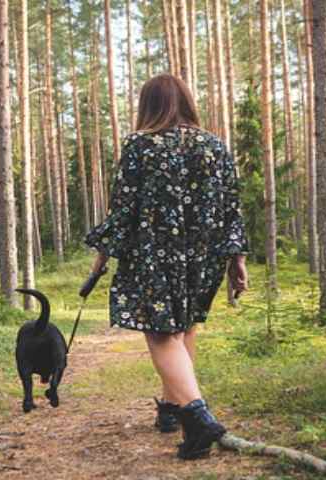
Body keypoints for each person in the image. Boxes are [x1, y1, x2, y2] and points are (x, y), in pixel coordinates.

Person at [84, 74, 249, 460]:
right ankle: (174, 411)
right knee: (184, 325)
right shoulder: (215, 146)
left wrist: (101, 257)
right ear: (187, 102)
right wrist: (236, 259)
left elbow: (124, 209)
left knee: (161, 334)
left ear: (149, 105)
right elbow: (232, 209)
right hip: (204, 254)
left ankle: (198, 416)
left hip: (155, 251)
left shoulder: (140, 145)